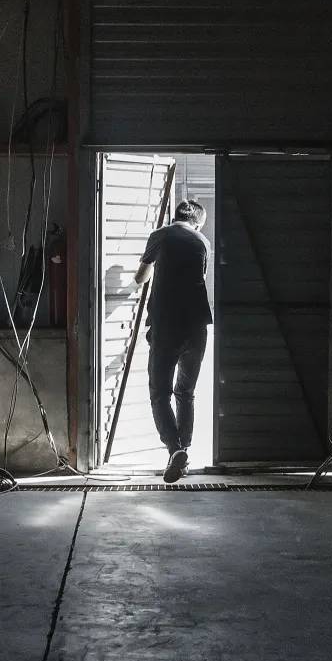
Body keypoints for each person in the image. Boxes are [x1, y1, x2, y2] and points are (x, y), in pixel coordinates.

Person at [134, 198, 211, 482]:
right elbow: (200, 277)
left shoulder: (161, 235)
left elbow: (140, 277)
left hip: (166, 327)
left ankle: (175, 449)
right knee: (185, 393)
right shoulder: (202, 241)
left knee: (160, 393)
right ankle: (184, 454)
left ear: (175, 216)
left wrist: (154, 268)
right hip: (196, 328)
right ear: (198, 222)